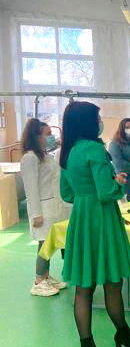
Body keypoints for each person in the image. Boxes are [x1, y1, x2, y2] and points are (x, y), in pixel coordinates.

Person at [59, 102, 130, 347]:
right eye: (97, 118)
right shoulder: (95, 149)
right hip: (102, 219)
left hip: (81, 219)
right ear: (88, 122)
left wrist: (87, 194)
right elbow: (105, 192)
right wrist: (117, 184)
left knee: (84, 286)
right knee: (112, 281)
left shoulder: (68, 152)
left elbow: (67, 193)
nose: (100, 122)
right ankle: (123, 333)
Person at [21, 119, 68, 297]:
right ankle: (38, 282)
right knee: (44, 244)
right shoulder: (29, 158)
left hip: (53, 207)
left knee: (50, 243)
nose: (51, 137)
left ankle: (46, 276)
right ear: (36, 136)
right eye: (47, 134)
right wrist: (36, 214)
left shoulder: (45, 156)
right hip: (42, 209)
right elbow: (31, 188)